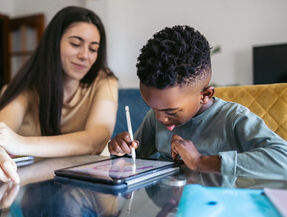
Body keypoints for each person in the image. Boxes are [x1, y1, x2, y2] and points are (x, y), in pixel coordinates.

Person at [108, 25, 287, 179]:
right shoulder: (155, 117)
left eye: (171, 111)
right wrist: (120, 150)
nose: (160, 118)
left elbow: (282, 158)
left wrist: (200, 162)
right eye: (152, 108)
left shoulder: (233, 119)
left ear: (206, 95)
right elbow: (132, 159)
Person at [0, 6, 118, 184]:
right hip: (32, 184)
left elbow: (96, 138)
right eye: (75, 44)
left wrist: (19, 143)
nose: (84, 56)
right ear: (54, 42)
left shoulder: (104, 81)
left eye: (93, 49)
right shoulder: (29, 86)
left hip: (88, 182)